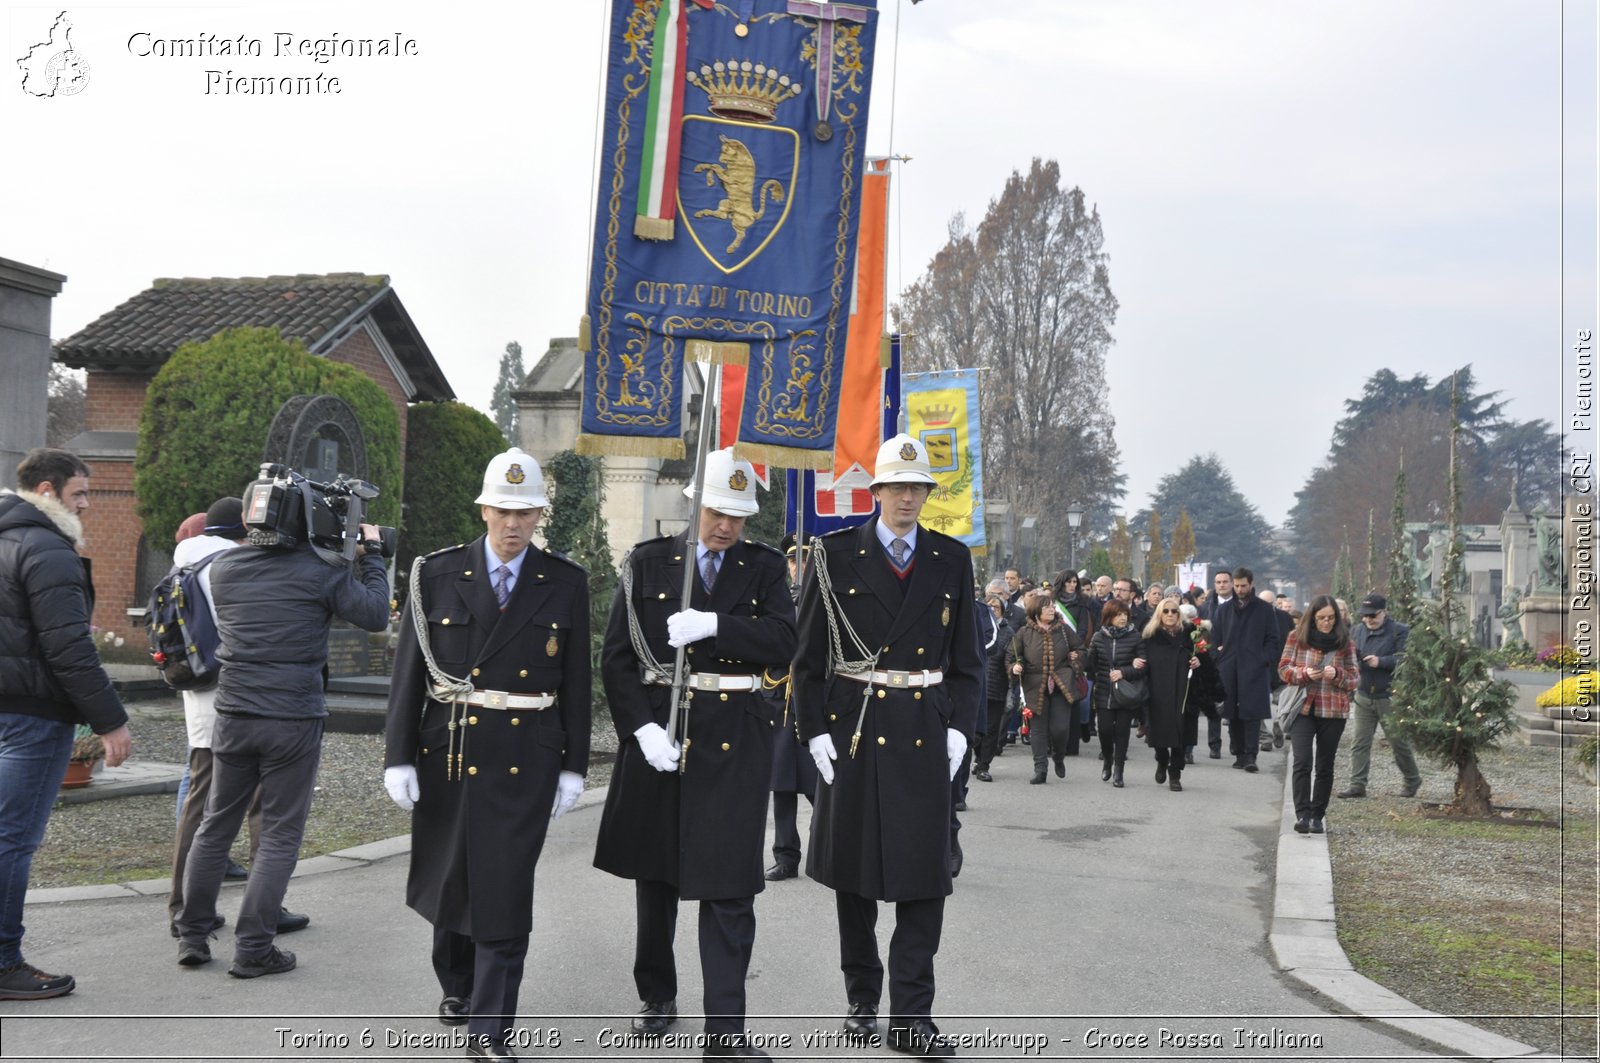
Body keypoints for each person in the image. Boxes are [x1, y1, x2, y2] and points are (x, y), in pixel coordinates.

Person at [383, 447, 590, 1060]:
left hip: (526, 755)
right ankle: (458, 981)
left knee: (503, 888)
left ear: (539, 516)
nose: (514, 524)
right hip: (449, 750)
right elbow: (408, 675)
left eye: (526, 512)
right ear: (483, 509)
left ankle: (490, 1032)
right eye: (504, 509)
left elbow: (575, 682)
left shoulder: (565, 581)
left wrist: (574, 766)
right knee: (452, 876)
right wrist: (397, 756)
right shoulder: (436, 575)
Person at [594, 448, 795, 1060]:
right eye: (716, 511)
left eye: (737, 516)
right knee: (656, 877)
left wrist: (716, 626)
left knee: (730, 886)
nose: (726, 526)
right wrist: (641, 731)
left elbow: (787, 641)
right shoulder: (651, 563)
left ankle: (726, 1031)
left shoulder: (762, 569)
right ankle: (656, 993)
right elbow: (618, 660)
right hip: (664, 736)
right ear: (694, 504)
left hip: (734, 739)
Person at [794, 434, 981, 1058]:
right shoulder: (833, 554)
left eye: (917, 487)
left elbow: (968, 664)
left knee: (925, 877)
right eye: (896, 486)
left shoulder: (950, 558)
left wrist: (961, 728)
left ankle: (913, 1014)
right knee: (855, 874)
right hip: (854, 728)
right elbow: (807, 660)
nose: (907, 497)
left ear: (928, 495)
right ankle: (860, 995)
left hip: (926, 726)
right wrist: (813, 729)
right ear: (875, 493)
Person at [175, 467, 390, 979]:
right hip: (292, 716)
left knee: (215, 824)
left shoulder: (224, 568)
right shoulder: (321, 572)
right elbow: (376, 614)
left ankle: (192, 932)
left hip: (234, 713)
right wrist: (372, 556)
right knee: (278, 834)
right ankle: (254, 947)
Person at [0, 448, 132, 1000]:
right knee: (12, 839)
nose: (87, 504)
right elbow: (70, 649)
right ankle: (5, 963)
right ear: (49, 491)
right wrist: (111, 723)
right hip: (34, 714)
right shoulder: (47, 546)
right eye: (80, 493)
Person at [166, 498, 278, 940]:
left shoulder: (183, 564)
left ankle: (182, 907)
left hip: (200, 699)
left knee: (200, 804)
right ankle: (264, 906)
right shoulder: (231, 567)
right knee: (259, 804)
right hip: (243, 697)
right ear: (244, 530)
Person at [1277, 596, 1359, 834]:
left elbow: (1354, 679)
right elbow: (1283, 670)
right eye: (1321, 618)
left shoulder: (1345, 642)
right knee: (1302, 761)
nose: (1326, 623)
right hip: (1303, 708)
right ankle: (1302, 814)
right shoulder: (1296, 638)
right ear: (1312, 618)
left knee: (1325, 765)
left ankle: (1317, 816)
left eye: (1331, 618)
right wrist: (1303, 674)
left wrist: (1337, 674)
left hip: (1333, 710)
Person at [765, 533, 816, 882]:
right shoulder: (775, 598)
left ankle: (828, 850)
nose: (799, 566)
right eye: (795, 560)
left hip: (813, 702)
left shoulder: (826, 599)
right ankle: (786, 856)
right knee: (782, 786)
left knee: (821, 787)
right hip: (781, 700)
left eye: (806, 559)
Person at [1339, 593, 1421, 800]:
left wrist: (1382, 662)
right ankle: (1357, 784)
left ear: (1384, 612)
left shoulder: (1399, 631)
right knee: (1360, 742)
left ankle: (1412, 779)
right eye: (1365, 616)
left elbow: (1407, 660)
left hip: (1390, 696)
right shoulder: (1357, 631)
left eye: (1373, 615)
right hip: (1365, 694)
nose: (1368, 619)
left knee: (1398, 742)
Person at [1007, 589, 1083, 783]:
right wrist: (1015, 667)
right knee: (1038, 730)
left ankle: (1058, 756)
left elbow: (1081, 649)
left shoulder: (1064, 630)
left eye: (1052, 606)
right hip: (1034, 685)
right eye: (1047, 607)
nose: (1051, 609)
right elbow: (1012, 656)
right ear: (1036, 611)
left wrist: (1076, 658)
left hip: (1061, 684)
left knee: (1060, 729)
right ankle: (1040, 769)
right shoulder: (1024, 633)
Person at [1210, 567, 1278, 773]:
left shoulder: (1264, 610)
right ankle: (1239, 754)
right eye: (1237, 586)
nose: (1239, 589)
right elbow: (1214, 639)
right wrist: (1219, 657)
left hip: (1254, 669)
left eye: (1243, 586)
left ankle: (1251, 756)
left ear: (1251, 585)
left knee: (1251, 713)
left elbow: (1273, 640)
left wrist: (1262, 659)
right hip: (1229, 668)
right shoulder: (1224, 610)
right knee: (1232, 713)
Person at [1082, 598, 1145, 787]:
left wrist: (1125, 671)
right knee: (1105, 731)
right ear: (1109, 617)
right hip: (1104, 692)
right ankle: (1108, 760)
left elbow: (1143, 667)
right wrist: (1082, 656)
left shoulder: (1135, 636)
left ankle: (1119, 770)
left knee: (1122, 732)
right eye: (1118, 615)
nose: (1122, 618)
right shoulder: (1099, 637)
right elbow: (1090, 665)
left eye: (1125, 614)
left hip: (1126, 693)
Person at [1140, 597, 1198, 791]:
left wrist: (1198, 662)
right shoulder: (1150, 636)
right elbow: (1141, 661)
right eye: (1166, 611)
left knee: (1181, 732)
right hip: (1158, 690)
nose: (1170, 614)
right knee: (1160, 731)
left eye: (1174, 611)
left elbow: (1202, 660)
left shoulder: (1190, 635)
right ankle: (1162, 759)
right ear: (1159, 614)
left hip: (1183, 691)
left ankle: (1175, 774)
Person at [970, 593, 1016, 783]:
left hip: (996, 685)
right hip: (976, 685)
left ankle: (984, 765)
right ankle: (976, 757)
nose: (991, 609)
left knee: (990, 729)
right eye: (988, 605)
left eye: (996, 607)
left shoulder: (1007, 632)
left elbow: (1010, 657)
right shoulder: (973, 627)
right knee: (975, 729)